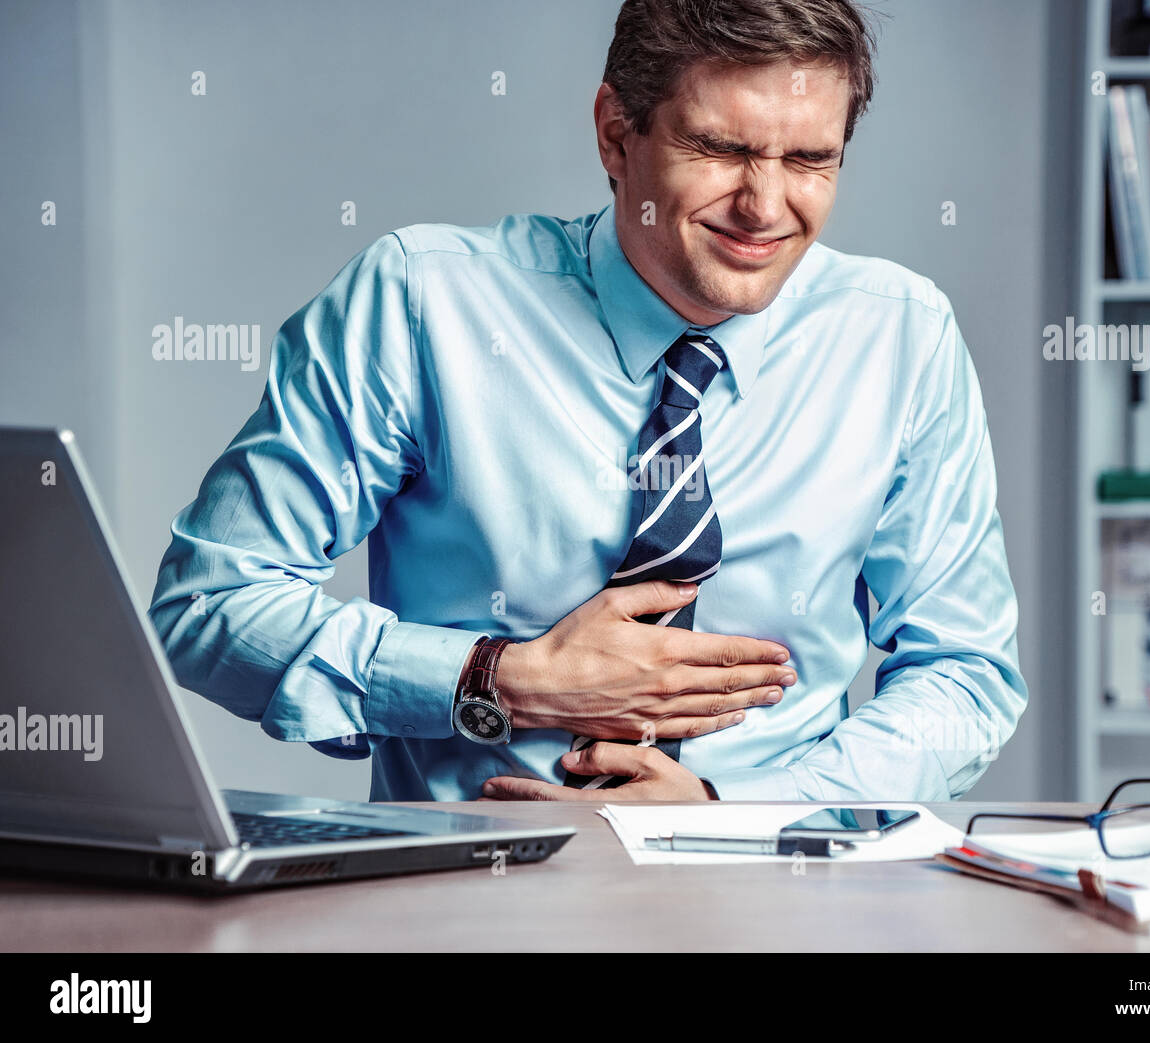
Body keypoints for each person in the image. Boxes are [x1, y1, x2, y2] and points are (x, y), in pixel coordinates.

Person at [149, 0, 1028, 804]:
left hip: (780, 883)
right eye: (720, 150)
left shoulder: (900, 337)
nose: (766, 206)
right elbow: (212, 600)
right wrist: (502, 680)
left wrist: (742, 814)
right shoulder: (421, 305)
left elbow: (968, 673)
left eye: (808, 159)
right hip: (474, 896)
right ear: (617, 136)